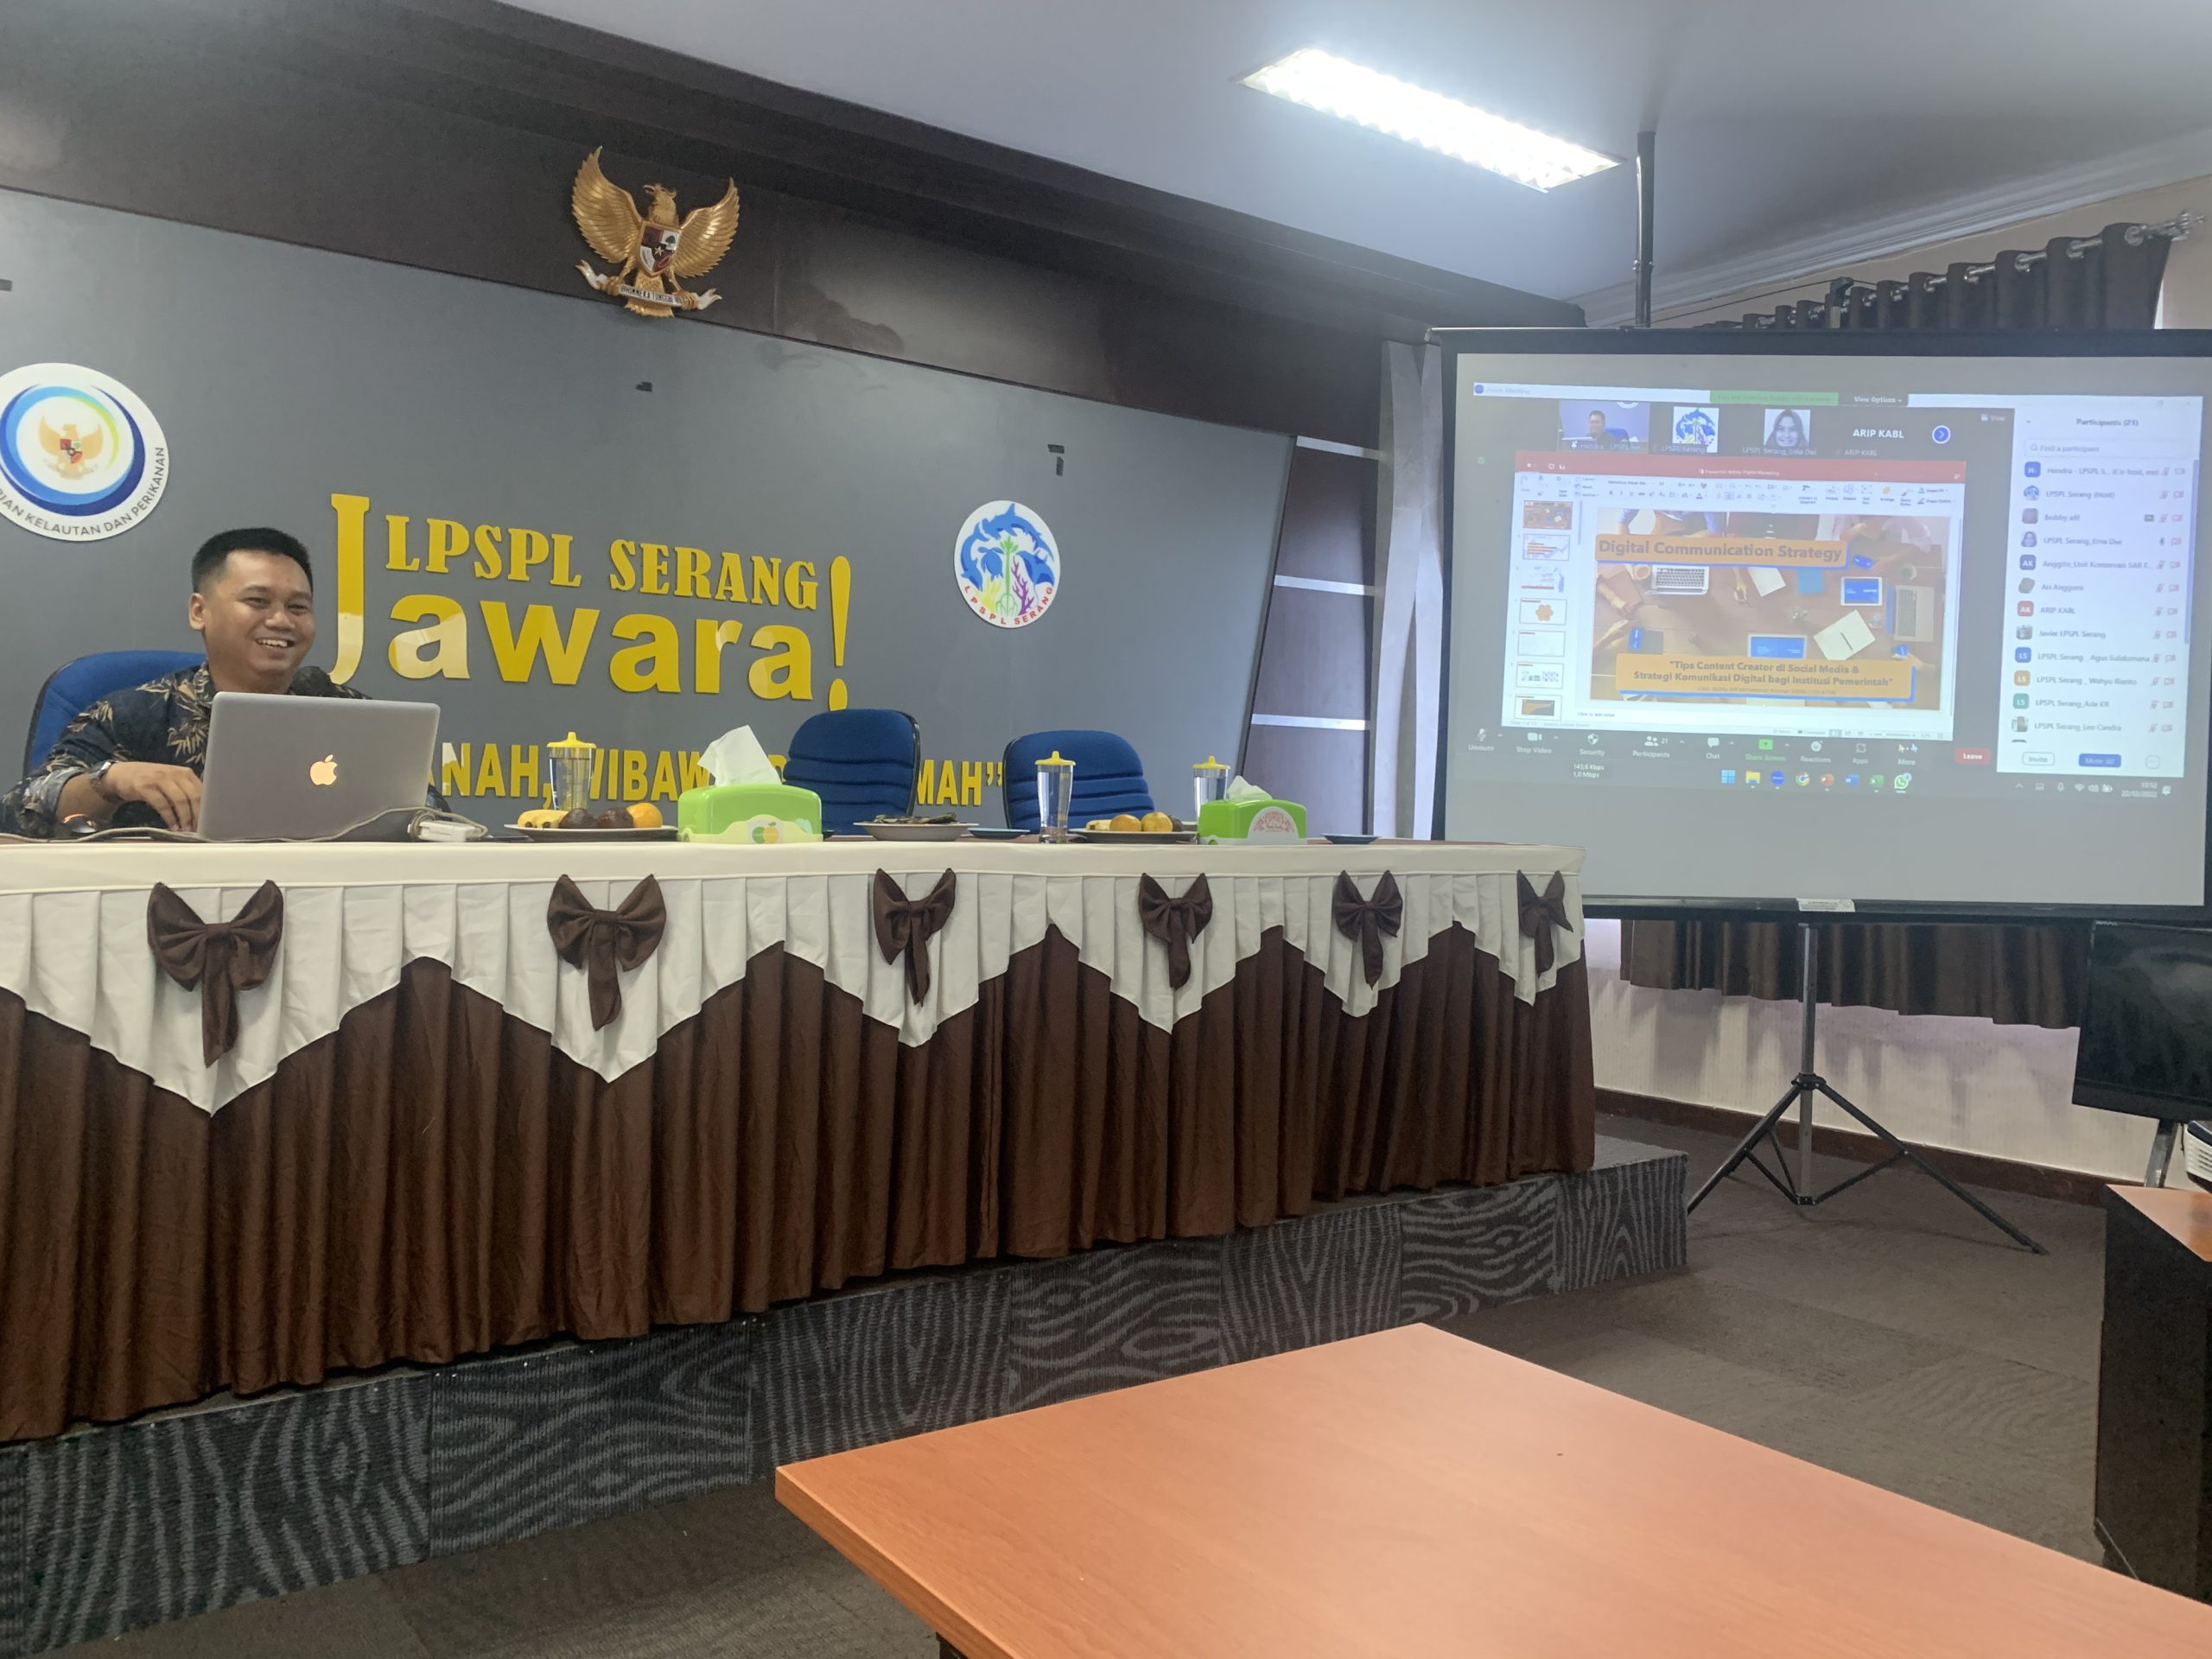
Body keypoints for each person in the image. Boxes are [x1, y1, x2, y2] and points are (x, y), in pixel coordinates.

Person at [1, 527, 365, 836]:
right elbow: (19, 809)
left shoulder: (348, 713)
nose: (281, 621)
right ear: (199, 611)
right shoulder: (135, 713)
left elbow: (405, 810)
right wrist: (111, 781)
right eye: (258, 601)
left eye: (298, 607)